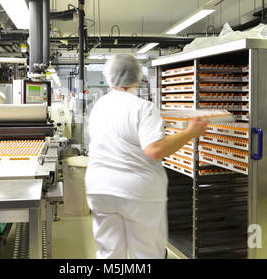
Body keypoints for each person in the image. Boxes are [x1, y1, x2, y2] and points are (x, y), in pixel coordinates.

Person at [85, 54, 208, 259]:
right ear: (137, 77)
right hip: (137, 193)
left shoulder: (99, 105)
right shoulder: (143, 107)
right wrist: (189, 133)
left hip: (100, 188)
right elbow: (154, 149)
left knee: (109, 252)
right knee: (146, 254)